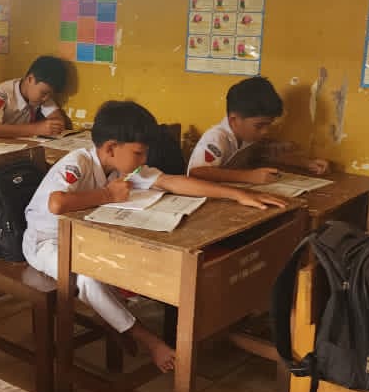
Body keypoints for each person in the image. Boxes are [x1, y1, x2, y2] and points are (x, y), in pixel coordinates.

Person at [22, 101, 285, 371]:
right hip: (46, 243)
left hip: (86, 240)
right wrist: (107, 195)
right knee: (89, 277)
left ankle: (115, 322)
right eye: (139, 153)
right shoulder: (79, 162)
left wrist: (237, 194)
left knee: (139, 259)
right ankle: (148, 340)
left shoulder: (125, 168)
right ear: (111, 148)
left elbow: (171, 182)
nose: (143, 160)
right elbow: (57, 203)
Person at [187, 76, 328, 184]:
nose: (265, 131)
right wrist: (248, 176)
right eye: (259, 126)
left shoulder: (248, 135)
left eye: (269, 125)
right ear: (234, 120)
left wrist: (306, 163)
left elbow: (268, 155)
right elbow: (197, 172)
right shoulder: (216, 137)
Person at [0, 55, 71, 140]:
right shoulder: (2, 92)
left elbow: (58, 120)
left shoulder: (41, 95)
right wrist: (36, 129)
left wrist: (53, 125)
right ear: (30, 79)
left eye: (50, 95)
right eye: (44, 93)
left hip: (14, 143)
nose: (46, 98)